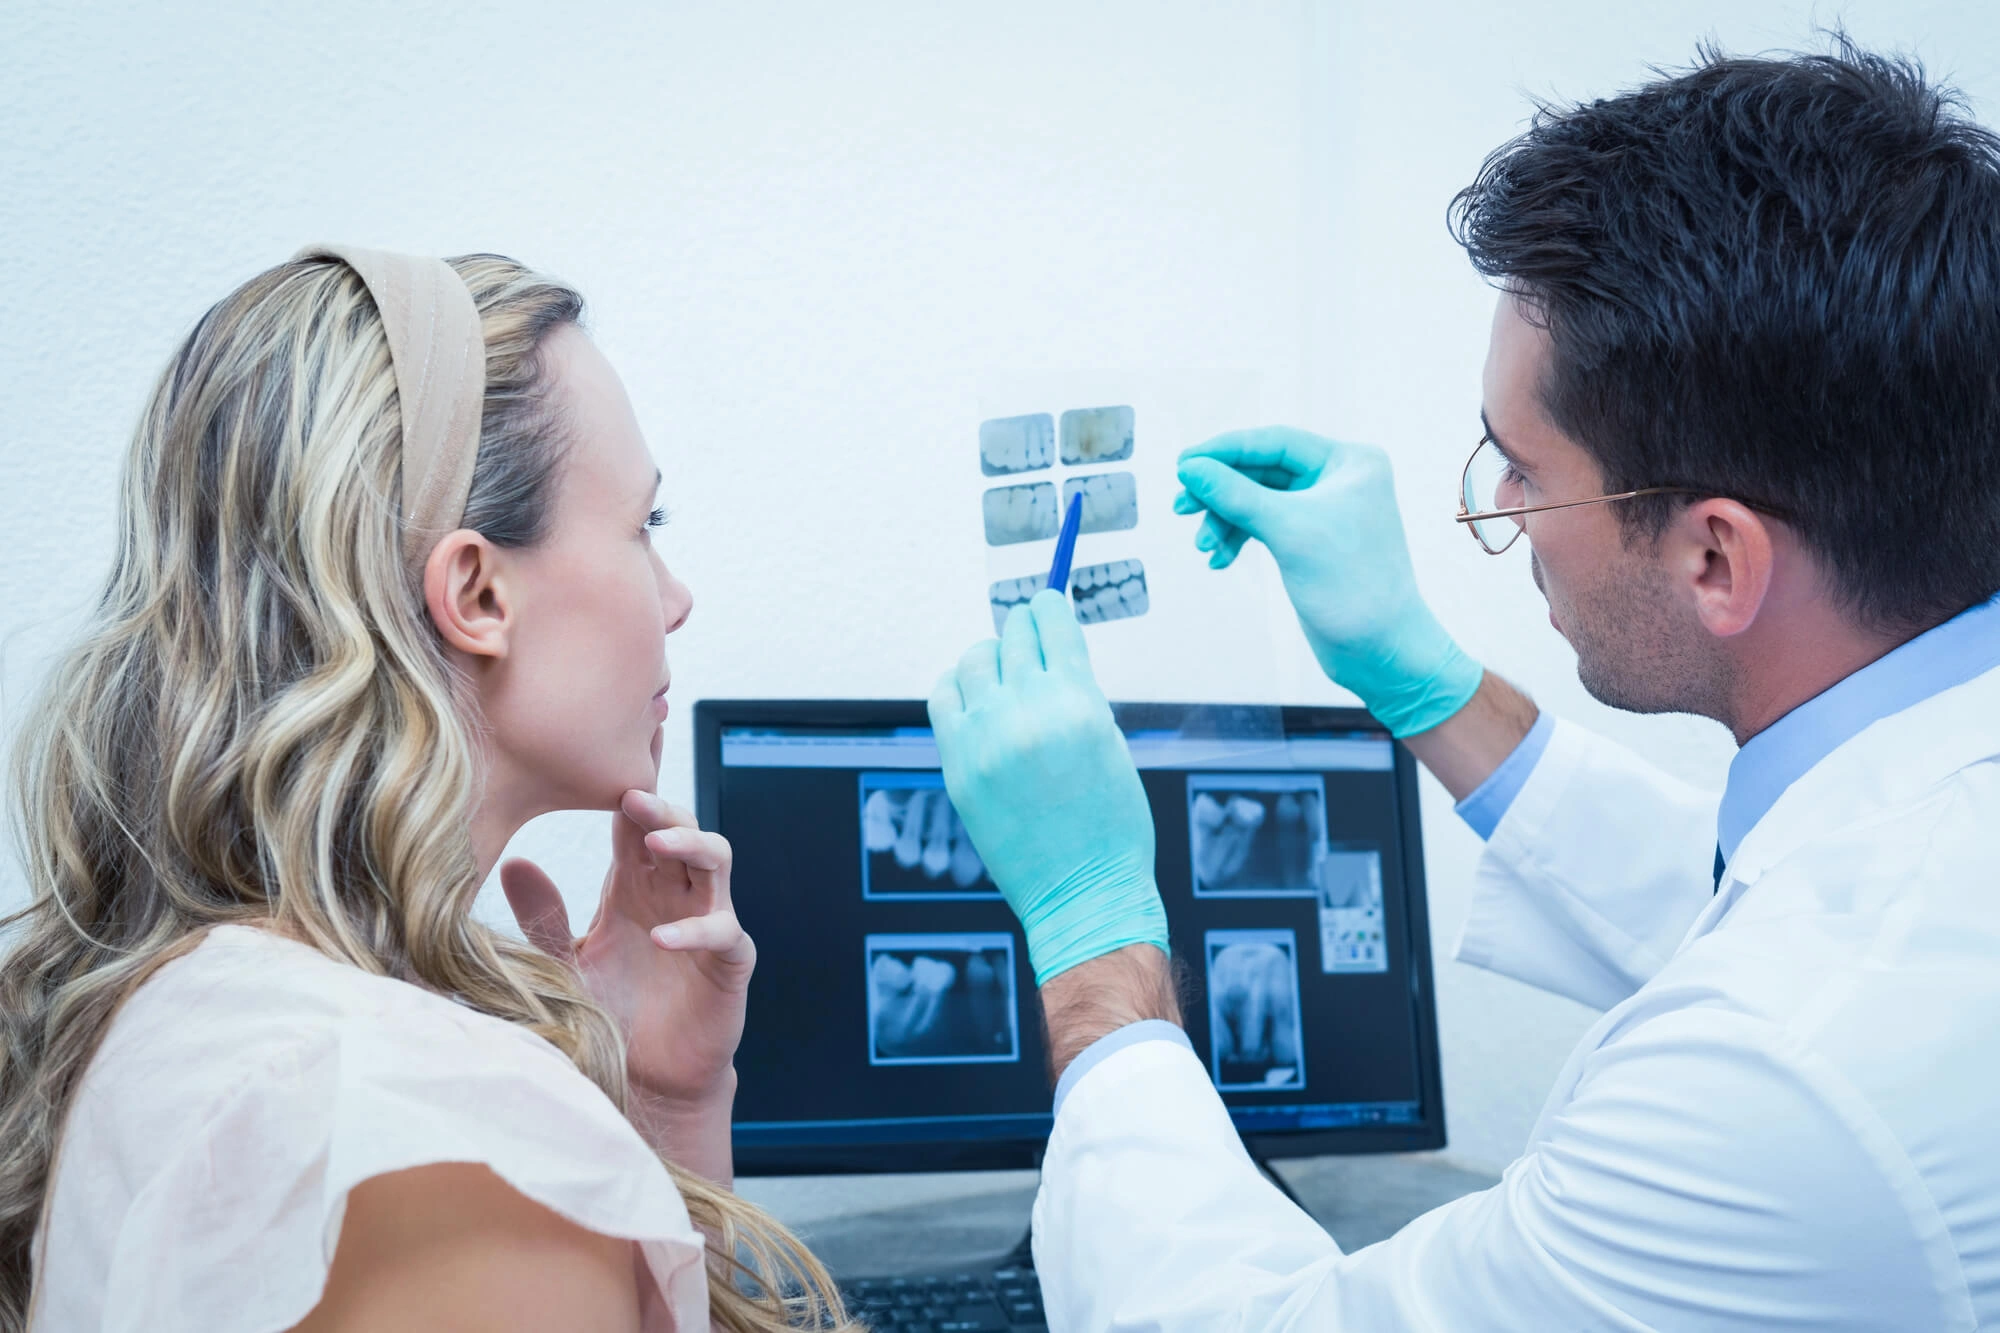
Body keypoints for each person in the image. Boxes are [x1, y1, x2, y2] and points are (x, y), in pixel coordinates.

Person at [931, 41, 2000, 1329]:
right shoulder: (1919, 831)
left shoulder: (1776, 1085)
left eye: (1521, 465)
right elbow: (1751, 901)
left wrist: (1090, 932)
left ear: (1715, 554)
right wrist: (1417, 677)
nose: (1493, 509)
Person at [0, 248, 858, 1331]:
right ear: (475, 591)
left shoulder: (216, 1007)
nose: (674, 599)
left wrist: (662, 1106)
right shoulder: (439, 1137)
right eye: (645, 527)